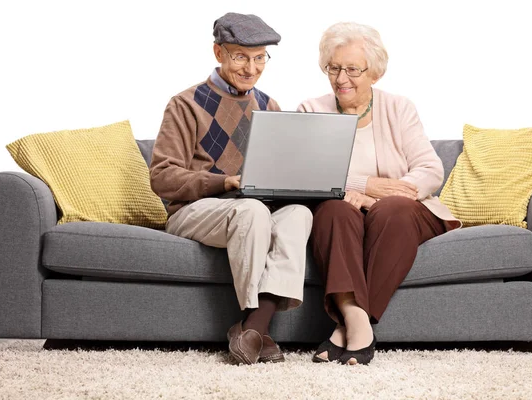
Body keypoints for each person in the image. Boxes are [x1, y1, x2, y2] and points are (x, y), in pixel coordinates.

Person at [150, 12, 313, 365]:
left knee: (298, 214)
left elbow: (279, 172)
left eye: (259, 58)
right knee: (251, 210)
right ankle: (258, 325)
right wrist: (223, 181)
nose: (251, 68)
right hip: (195, 211)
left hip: (252, 208)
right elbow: (161, 176)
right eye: (240, 56)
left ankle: (253, 328)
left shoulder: (269, 106)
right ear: (218, 53)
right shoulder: (186, 103)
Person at [298, 22, 461, 366]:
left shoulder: (398, 108)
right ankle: (358, 323)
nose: (342, 78)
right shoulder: (311, 110)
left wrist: (377, 199)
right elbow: (307, 177)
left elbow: (430, 170)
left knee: (394, 211)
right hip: (344, 210)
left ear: (374, 72)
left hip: (399, 213)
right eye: (334, 68)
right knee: (333, 210)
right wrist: (363, 186)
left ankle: (345, 326)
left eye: (353, 69)